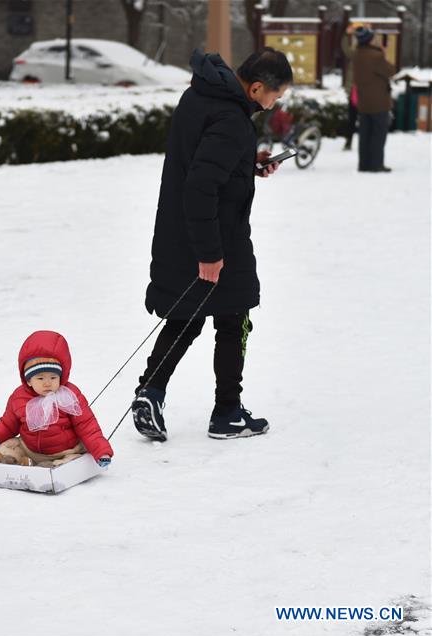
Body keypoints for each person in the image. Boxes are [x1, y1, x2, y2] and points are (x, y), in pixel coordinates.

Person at [130, 48, 292, 442]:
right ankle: (227, 413)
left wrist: (248, 163)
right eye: (276, 95)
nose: (276, 103)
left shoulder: (202, 95)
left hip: (181, 229)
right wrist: (210, 254)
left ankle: (150, 391)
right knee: (234, 316)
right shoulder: (233, 120)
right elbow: (202, 185)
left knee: (187, 316)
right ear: (256, 88)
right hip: (216, 235)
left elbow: (200, 159)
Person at [0, 330, 114, 468]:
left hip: (65, 451)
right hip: (29, 449)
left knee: (72, 458)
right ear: (28, 380)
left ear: (61, 377)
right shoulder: (20, 397)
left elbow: (87, 426)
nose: (47, 383)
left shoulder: (68, 396)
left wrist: (102, 451)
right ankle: (7, 461)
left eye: (53, 377)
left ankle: (52, 466)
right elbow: (7, 424)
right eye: (40, 378)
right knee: (9, 446)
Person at [352, 26, 397, 172]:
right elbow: (391, 71)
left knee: (365, 134)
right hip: (379, 102)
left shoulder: (357, 54)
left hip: (363, 101)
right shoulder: (376, 56)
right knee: (378, 134)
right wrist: (383, 53)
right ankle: (376, 164)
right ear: (369, 39)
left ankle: (364, 164)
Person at [340, 23, 364, 151]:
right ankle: (350, 141)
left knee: (353, 117)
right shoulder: (357, 52)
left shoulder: (358, 53)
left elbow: (346, 49)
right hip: (357, 91)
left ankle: (350, 141)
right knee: (355, 117)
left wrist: (346, 34)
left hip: (359, 90)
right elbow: (346, 49)